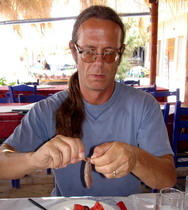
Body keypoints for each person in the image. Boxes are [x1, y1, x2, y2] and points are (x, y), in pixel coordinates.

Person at [0, 5, 176, 196]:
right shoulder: (46, 110)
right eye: (89, 52)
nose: (98, 64)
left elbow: (167, 178)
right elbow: (3, 162)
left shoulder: (144, 106)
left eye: (109, 53)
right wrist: (33, 159)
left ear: (120, 54)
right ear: (74, 51)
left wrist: (135, 159)